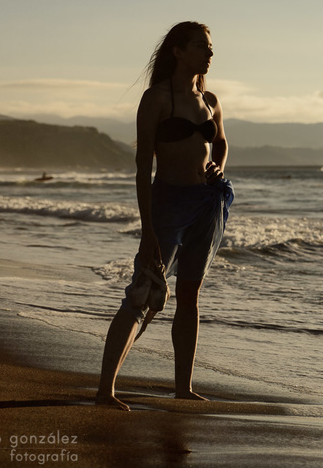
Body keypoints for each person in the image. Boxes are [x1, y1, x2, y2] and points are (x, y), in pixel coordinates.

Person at [96, 21, 233, 411]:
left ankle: (182, 387)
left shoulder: (211, 101)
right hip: (168, 203)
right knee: (143, 295)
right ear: (178, 51)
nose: (210, 53)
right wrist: (147, 230)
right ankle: (105, 390)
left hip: (207, 205)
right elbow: (143, 169)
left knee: (189, 296)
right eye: (202, 46)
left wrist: (218, 169)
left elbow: (221, 143)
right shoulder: (156, 99)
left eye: (210, 47)